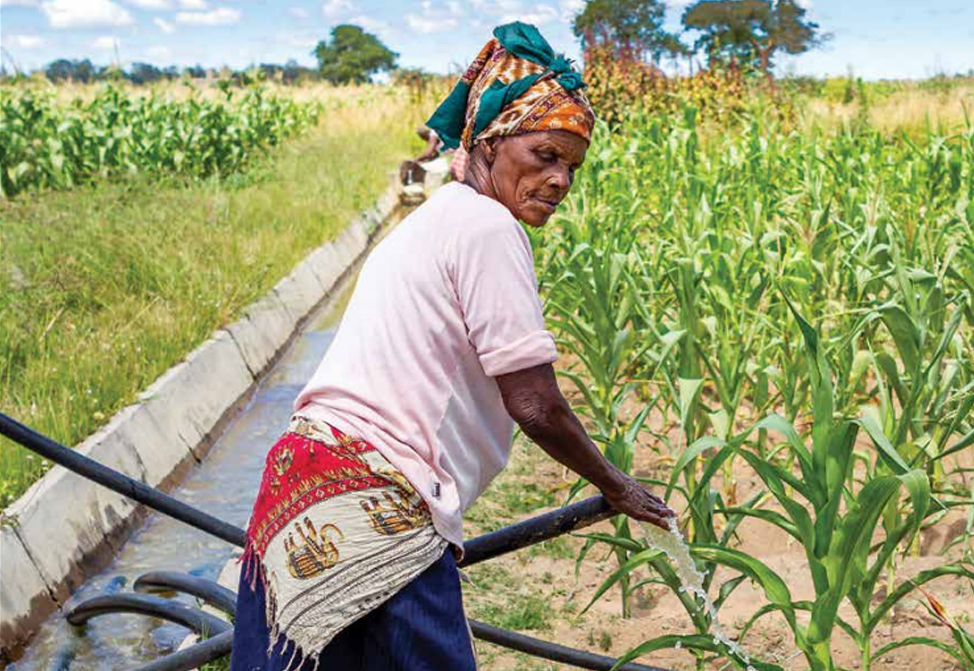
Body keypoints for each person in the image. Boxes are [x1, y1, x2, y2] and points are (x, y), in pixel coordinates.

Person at [230, 21, 675, 671]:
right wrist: (618, 485)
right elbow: (535, 402)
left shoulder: (434, 218)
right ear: (492, 143)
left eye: (572, 167)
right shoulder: (488, 227)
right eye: (545, 155)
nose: (559, 181)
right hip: (380, 501)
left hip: (300, 489)